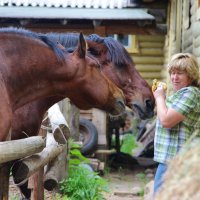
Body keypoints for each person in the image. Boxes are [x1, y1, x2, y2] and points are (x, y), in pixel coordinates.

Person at [153, 53, 200, 195]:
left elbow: (166, 121)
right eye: (172, 73)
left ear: (191, 75)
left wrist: (160, 97)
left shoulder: (190, 93)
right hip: (170, 159)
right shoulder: (180, 94)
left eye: (179, 74)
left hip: (176, 160)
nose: (174, 77)